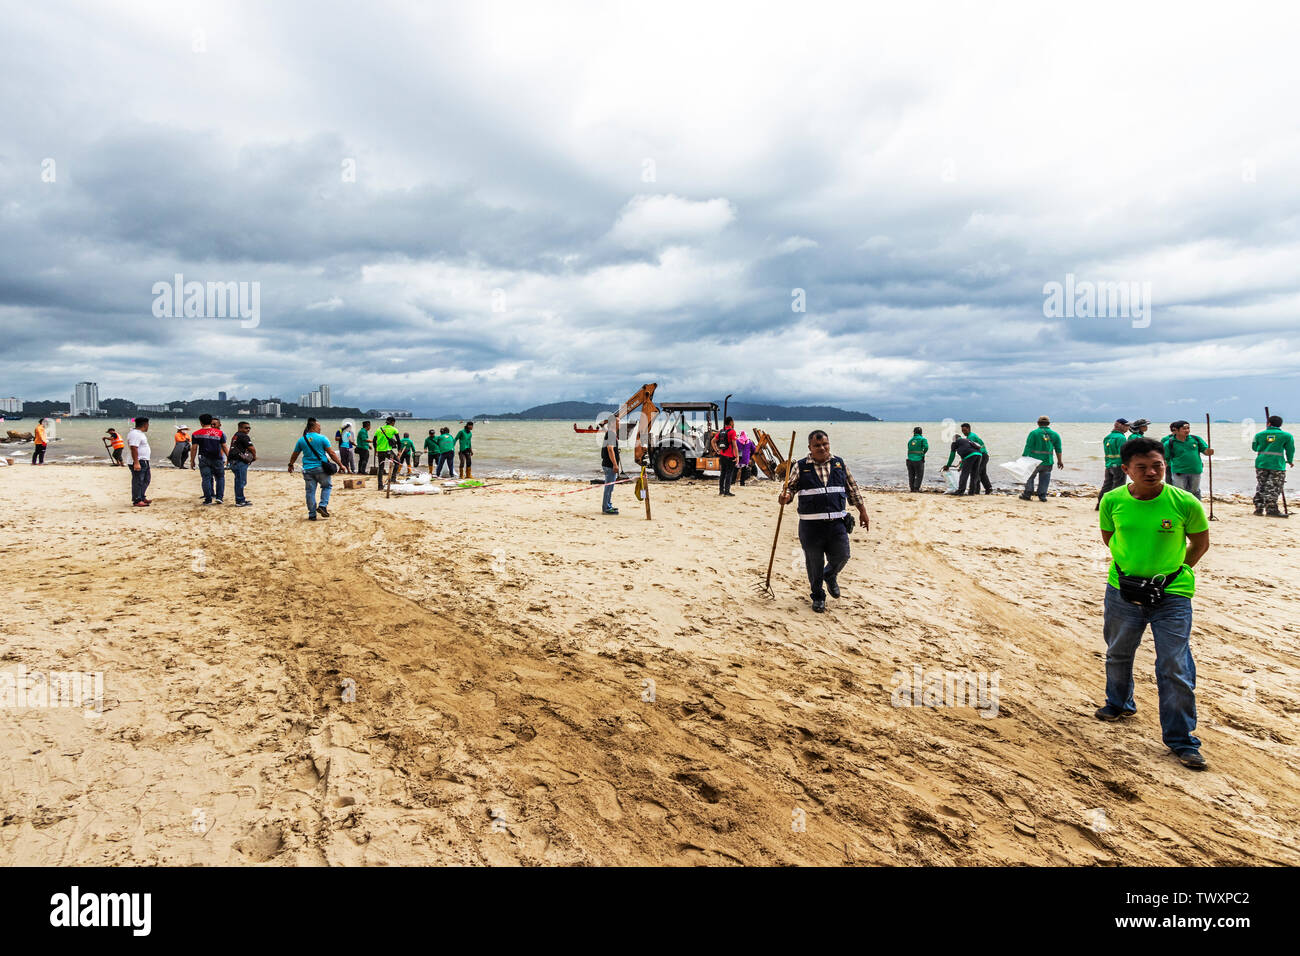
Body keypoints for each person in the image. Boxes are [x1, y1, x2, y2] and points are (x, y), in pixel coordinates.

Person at [1096, 435, 1210, 771]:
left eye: (1157, 465)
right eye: (1142, 467)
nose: (1151, 472)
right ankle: (1118, 703)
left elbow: (1200, 543)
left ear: (1165, 465)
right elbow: (1109, 537)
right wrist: (1134, 571)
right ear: (1126, 469)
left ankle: (1181, 740)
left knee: (1174, 664)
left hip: (1172, 596)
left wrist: (1171, 575)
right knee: (1118, 651)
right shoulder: (1112, 500)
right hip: (1122, 590)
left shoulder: (1184, 502)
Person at [777, 430, 871, 613]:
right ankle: (818, 597)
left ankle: (830, 575)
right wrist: (785, 497)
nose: (822, 448)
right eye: (817, 445)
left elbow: (853, 489)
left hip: (837, 524)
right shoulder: (801, 466)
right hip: (810, 527)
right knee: (814, 564)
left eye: (825, 444)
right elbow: (790, 489)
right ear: (810, 448)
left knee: (843, 555)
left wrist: (863, 512)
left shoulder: (839, 464)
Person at [288, 417, 343, 520]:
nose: (320, 429)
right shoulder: (322, 438)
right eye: (319, 427)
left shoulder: (302, 440)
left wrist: (290, 464)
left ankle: (312, 514)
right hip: (321, 468)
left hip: (307, 470)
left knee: (310, 492)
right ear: (313, 427)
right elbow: (331, 453)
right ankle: (322, 506)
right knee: (327, 486)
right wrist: (340, 464)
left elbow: (295, 454)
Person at [1251, 414, 1295, 517]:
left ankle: (1259, 508)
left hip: (1261, 463)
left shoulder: (1258, 435)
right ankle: (1271, 510)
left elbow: (1255, 448)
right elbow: (1290, 450)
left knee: (1262, 485)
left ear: (1268, 423)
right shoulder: (1287, 436)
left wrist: (1267, 444)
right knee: (1273, 487)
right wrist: (1290, 460)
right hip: (1277, 465)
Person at [1161, 421, 1213, 499]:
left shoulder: (1196, 439)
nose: (1187, 430)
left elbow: (1205, 451)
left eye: (1188, 428)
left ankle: (1196, 508)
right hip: (1179, 472)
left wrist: (1209, 452)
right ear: (1176, 430)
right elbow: (1164, 458)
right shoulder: (1169, 443)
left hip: (1195, 471)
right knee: (1179, 492)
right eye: (1184, 428)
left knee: (1195, 491)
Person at [1019, 415, 1063, 501]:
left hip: (1034, 461)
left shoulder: (1034, 433)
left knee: (1030, 477)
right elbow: (1058, 449)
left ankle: (1027, 495)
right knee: (1045, 479)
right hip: (1048, 461)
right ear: (1049, 424)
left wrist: (1023, 458)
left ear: (1038, 423)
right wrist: (1060, 461)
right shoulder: (1055, 434)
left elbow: (1028, 446)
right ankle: (1042, 496)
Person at [189, 413, 228, 504]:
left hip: (203, 458)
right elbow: (224, 446)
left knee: (206, 478)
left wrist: (192, 461)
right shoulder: (219, 433)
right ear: (211, 422)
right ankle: (219, 497)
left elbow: (194, 448)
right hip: (217, 458)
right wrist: (229, 457)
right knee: (220, 478)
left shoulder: (196, 434)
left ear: (201, 423)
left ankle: (208, 499)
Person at [1096, 418, 1130, 510]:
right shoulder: (1121, 438)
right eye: (1126, 425)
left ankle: (1100, 505)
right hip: (1119, 466)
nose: (1128, 428)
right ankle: (1114, 507)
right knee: (1118, 487)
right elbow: (1123, 453)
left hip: (1109, 465)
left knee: (1106, 486)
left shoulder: (1108, 437)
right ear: (1120, 426)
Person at [227, 421, 256, 507]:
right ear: (240, 428)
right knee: (241, 481)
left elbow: (232, 448)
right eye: (246, 428)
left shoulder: (236, 435)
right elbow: (252, 448)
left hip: (233, 460)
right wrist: (254, 457)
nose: (248, 429)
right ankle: (239, 501)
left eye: (249, 428)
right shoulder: (244, 436)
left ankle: (241, 499)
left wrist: (228, 460)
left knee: (239, 480)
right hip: (239, 461)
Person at [127, 417, 152, 506]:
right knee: (138, 480)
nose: (148, 426)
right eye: (148, 424)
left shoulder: (139, 433)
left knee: (146, 479)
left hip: (144, 460)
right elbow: (134, 448)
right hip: (139, 461)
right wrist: (136, 462)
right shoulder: (135, 434)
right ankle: (137, 500)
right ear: (145, 425)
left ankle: (141, 496)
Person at [961, 423, 993, 493]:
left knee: (976, 473)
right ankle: (988, 488)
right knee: (982, 473)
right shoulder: (971, 436)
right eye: (962, 430)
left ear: (969, 429)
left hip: (982, 455)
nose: (964, 432)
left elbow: (970, 450)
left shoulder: (971, 437)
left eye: (965, 430)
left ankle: (976, 490)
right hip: (984, 455)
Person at [372, 416, 401, 489]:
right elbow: (399, 441)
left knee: (381, 467)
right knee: (397, 462)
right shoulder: (394, 429)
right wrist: (399, 451)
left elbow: (374, 441)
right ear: (393, 422)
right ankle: (393, 479)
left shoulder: (379, 429)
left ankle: (380, 486)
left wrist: (376, 450)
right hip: (388, 450)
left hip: (380, 451)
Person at [601, 415, 621, 515]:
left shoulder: (611, 433)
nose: (620, 424)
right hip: (609, 465)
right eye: (618, 422)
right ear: (613, 423)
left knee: (610, 487)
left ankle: (608, 505)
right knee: (608, 487)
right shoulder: (611, 434)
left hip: (608, 465)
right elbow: (610, 449)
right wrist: (615, 465)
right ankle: (606, 508)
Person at [715, 416, 739, 496]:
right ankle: (727, 492)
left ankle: (721, 491)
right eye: (733, 421)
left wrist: (717, 450)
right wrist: (737, 457)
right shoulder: (732, 431)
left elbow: (713, 441)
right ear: (731, 422)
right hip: (730, 456)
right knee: (729, 474)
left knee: (722, 474)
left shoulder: (721, 431)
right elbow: (735, 445)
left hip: (722, 456)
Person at [906, 427, 928, 492]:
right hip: (918, 460)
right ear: (921, 432)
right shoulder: (923, 439)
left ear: (914, 432)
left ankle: (911, 488)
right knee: (919, 475)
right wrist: (923, 453)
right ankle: (916, 489)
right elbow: (926, 447)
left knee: (911, 475)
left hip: (909, 460)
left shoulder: (910, 440)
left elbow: (909, 448)